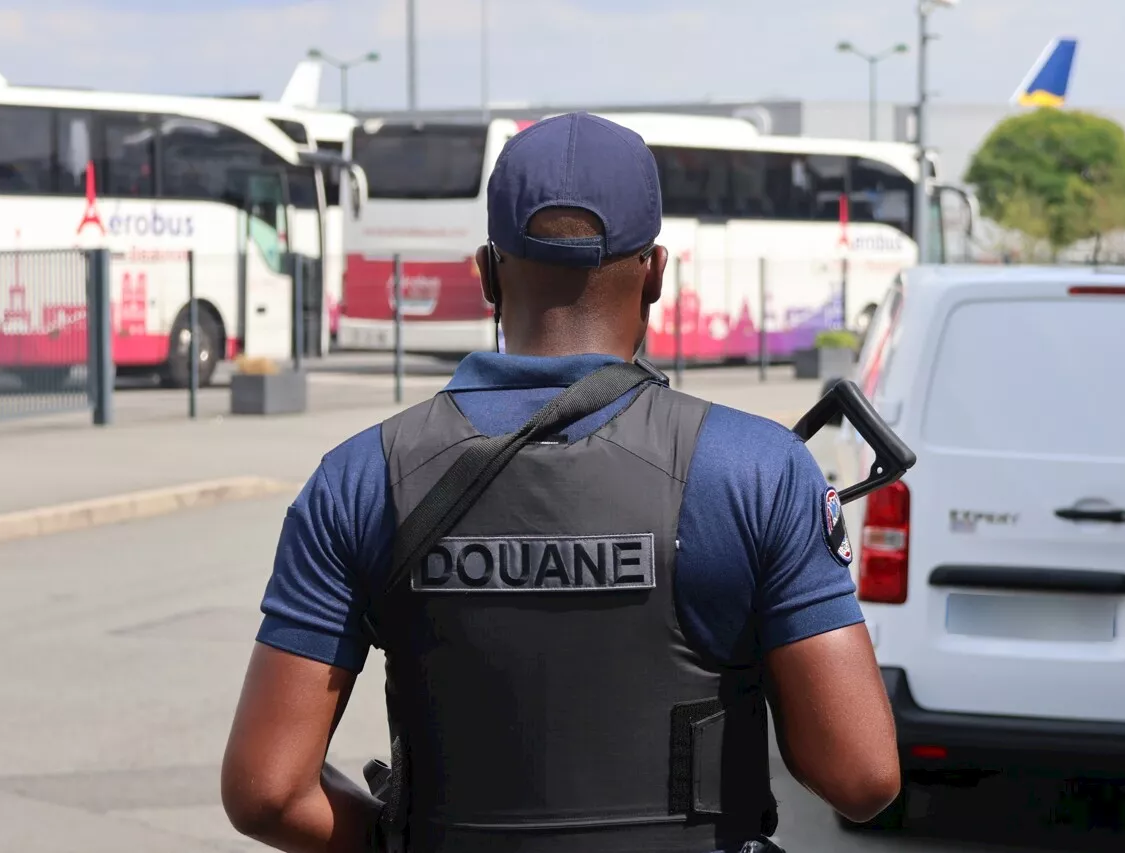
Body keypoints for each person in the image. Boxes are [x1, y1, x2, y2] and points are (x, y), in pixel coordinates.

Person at [221, 112, 900, 853]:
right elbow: (861, 777)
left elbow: (268, 793)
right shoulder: (756, 470)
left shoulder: (360, 478)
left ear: (485, 271)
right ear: (657, 273)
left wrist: (392, 837)